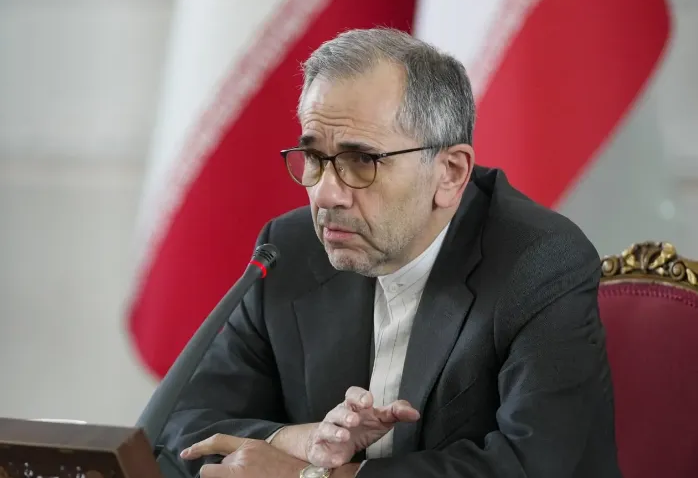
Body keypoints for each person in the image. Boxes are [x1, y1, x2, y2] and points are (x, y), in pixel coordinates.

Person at [158, 28, 622, 478]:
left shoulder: (540, 262)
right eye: (314, 157)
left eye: (362, 160)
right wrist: (299, 440)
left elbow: (529, 466)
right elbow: (179, 426)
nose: (326, 194)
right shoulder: (291, 248)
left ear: (450, 173)